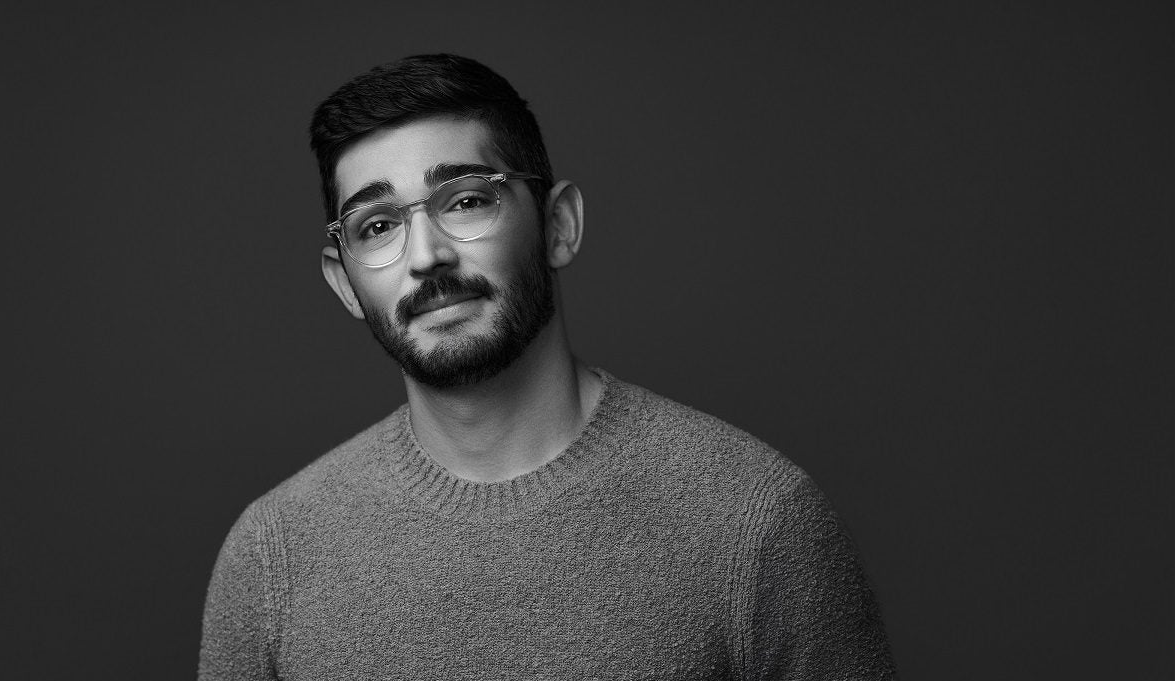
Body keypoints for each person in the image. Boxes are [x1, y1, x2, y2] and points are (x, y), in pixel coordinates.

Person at [199, 53, 895, 680]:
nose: (427, 256)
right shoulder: (271, 557)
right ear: (345, 282)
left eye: (466, 200)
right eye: (377, 226)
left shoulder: (758, 522)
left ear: (558, 225)